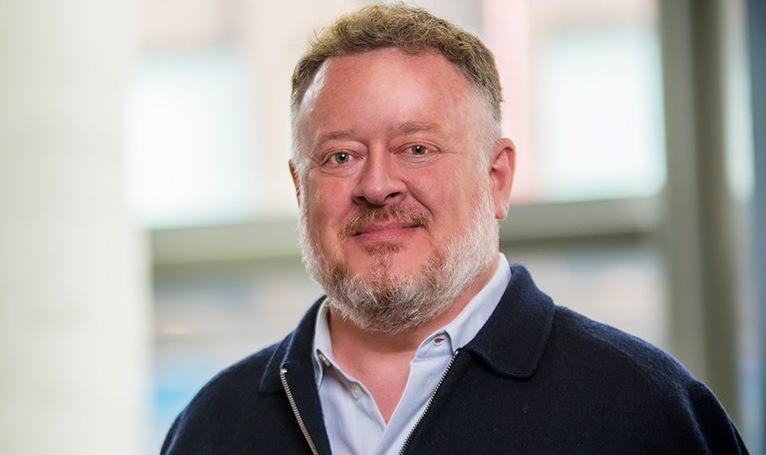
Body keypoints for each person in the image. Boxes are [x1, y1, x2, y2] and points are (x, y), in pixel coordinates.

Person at [160, 4, 749, 454]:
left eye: (416, 148)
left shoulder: (641, 411)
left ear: (496, 178)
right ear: (299, 189)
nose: (377, 185)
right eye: (340, 156)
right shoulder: (213, 426)